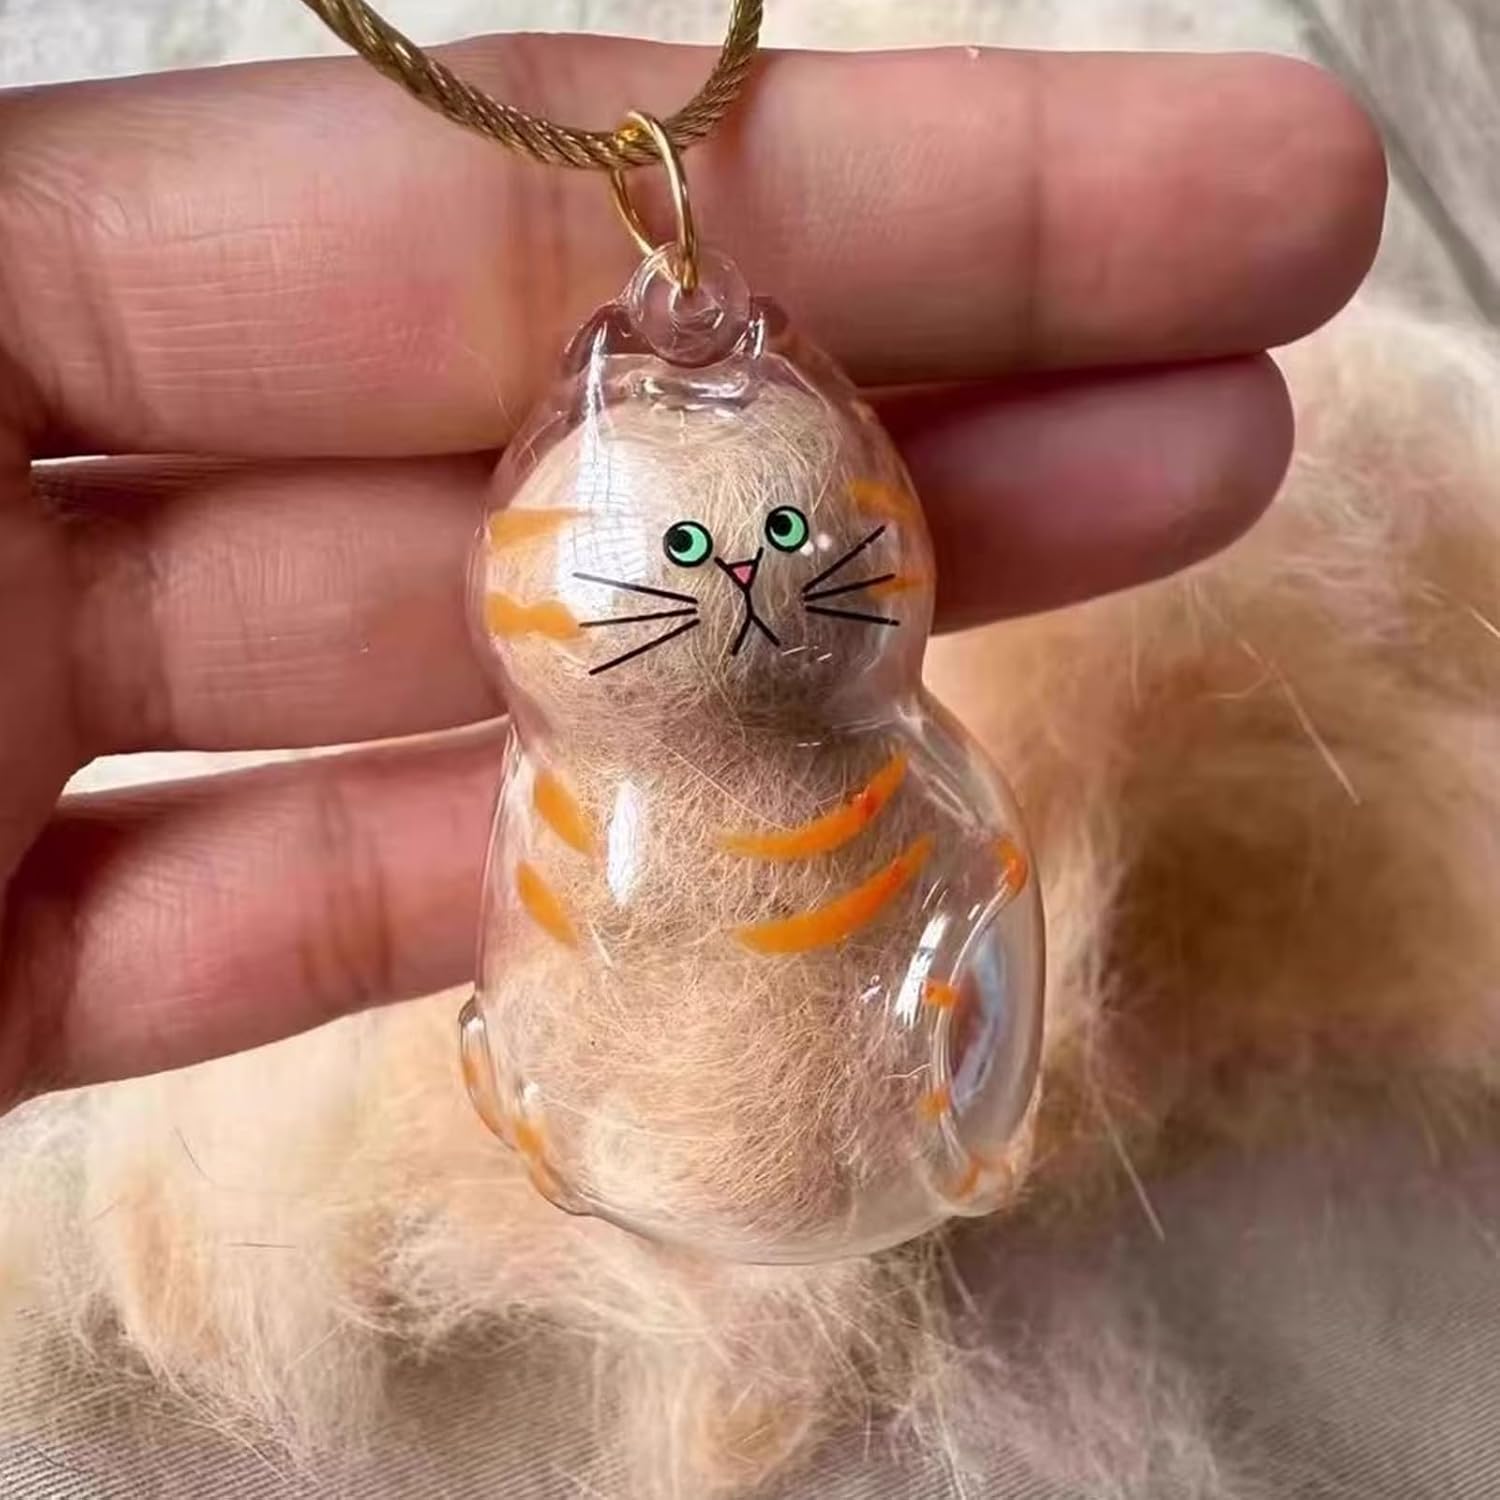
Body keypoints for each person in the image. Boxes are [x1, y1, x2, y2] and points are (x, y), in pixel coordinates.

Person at [0, 35, 1385, 1113]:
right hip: (643, 1124)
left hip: (886, 1108)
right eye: (679, 548)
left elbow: (970, 883)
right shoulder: (575, 779)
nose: (742, 574)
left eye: (786, 535)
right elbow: (557, 937)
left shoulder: (886, 736)